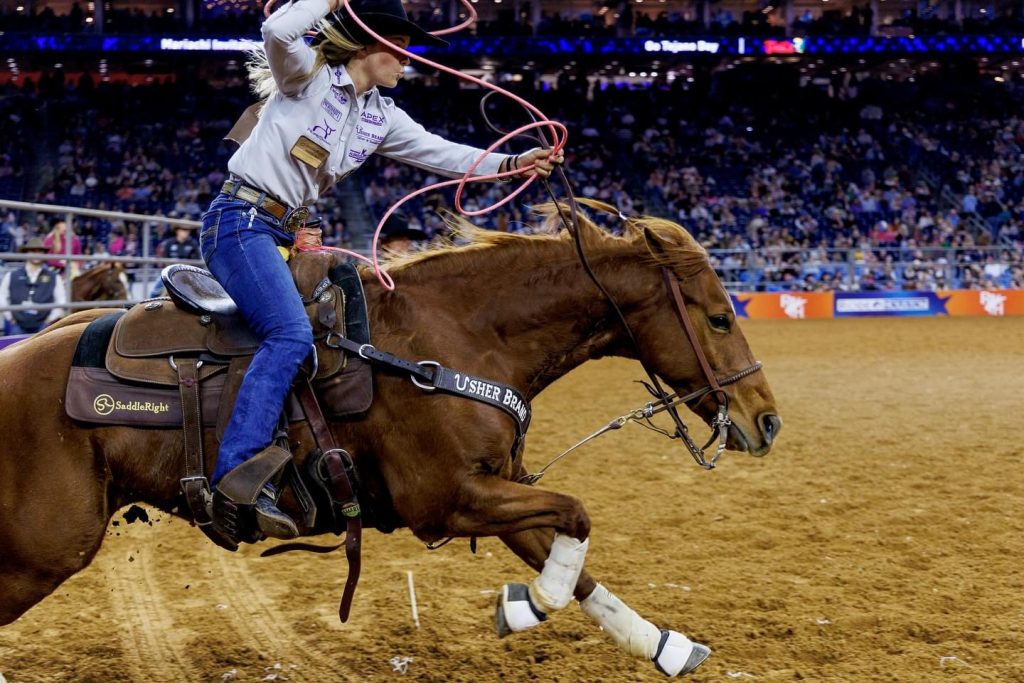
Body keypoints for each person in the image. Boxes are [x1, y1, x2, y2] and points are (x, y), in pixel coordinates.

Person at [199, 0, 563, 541]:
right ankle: (236, 474)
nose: (407, 62)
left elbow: (445, 155)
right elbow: (277, 27)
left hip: (284, 233)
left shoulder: (381, 116)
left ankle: (302, 460)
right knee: (290, 333)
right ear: (373, 44)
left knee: (337, 336)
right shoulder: (306, 78)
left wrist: (514, 163)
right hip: (241, 223)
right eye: (402, 49)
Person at [0, 237, 67, 335]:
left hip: (43, 326)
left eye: (39, 251)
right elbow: (2, 297)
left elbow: (61, 301)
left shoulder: (54, 277)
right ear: (26, 253)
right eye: (32, 250)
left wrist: (50, 319)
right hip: (17, 325)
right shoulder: (11, 275)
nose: (36, 253)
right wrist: (10, 317)